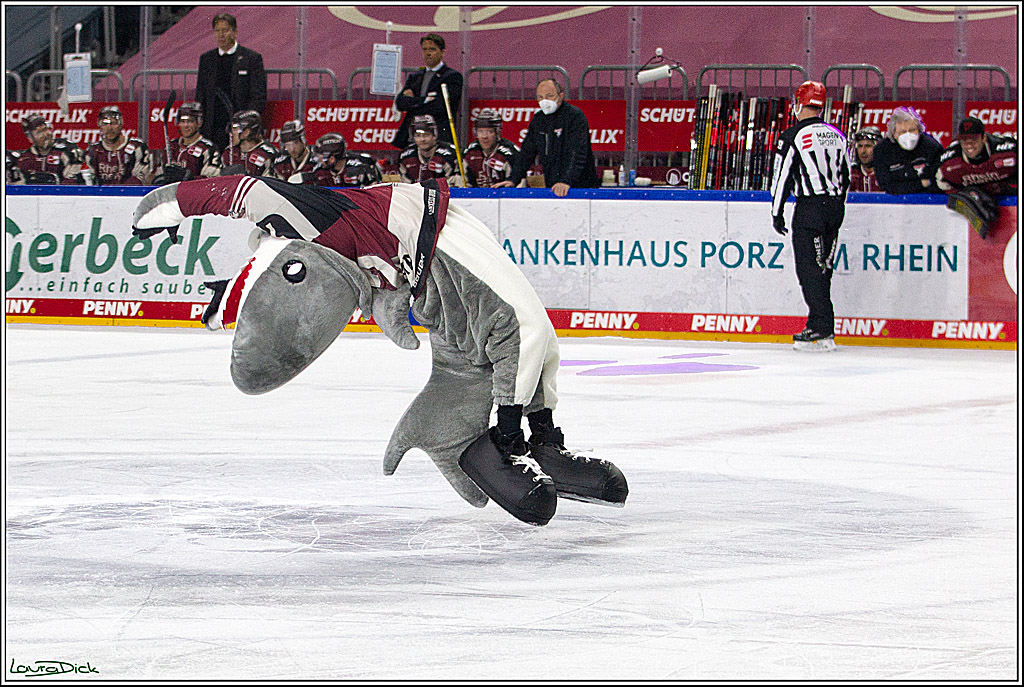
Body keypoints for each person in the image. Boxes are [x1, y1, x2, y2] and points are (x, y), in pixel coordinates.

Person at [131, 175, 628, 526]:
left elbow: (244, 191)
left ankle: (527, 437)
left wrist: (164, 207)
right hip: (418, 266)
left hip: (436, 236)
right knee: (515, 334)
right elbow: (363, 272)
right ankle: (515, 438)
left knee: (522, 329)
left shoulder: (301, 218)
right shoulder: (323, 263)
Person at [770, 81, 850, 352]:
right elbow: (847, 175)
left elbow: (782, 176)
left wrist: (776, 211)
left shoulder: (792, 136)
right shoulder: (838, 135)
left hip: (809, 208)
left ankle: (822, 327)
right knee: (823, 268)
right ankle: (820, 324)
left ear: (799, 103)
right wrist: (838, 204)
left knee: (808, 268)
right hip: (835, 207)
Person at [501, 79, 599, 197]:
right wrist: (513, 179)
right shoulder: (538, 120)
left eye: (549, 96)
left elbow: (577, 153)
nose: (544, 101)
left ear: (560, 96)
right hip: (553, 186)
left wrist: (566, 181)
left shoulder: (575, 116)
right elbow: (527, 153)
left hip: (580, 187)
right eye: (540, 97)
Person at [195, 12, 267, 151]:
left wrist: (247, 122)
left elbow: (259, 95)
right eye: (217, 31)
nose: (221, 35)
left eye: (225, 30)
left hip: (241, 126)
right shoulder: (206, 59)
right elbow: (201, 93)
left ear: (235, 32)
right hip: (213, 125)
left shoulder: (251, 58)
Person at [392, 33, 463, 151]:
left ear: (442, 52)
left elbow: (440, 106)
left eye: (432, 49)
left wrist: (413, 103)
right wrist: (424, 100)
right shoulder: (415, 77)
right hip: (411, 136)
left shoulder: (452, 76)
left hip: (439, 135)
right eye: (424, 49)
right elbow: (400, 103)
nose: (428, 53)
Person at [936, 116, 1018, 197]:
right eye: (964, 139)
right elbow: (939, 182)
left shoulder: (1008, 150)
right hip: (975, 201)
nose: (969, 145)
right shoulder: (949, 160)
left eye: (974, 139)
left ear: (984, 138)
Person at [873, 107, 943, 195]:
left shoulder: (932, 147)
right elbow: (886, 184)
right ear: (894, 134)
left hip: (927, 199)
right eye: (903, 131)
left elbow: (937, 181)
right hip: (896, 201)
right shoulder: (882, 150)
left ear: (919, 130)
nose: (908, 135)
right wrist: (920, 184)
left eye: (912, 130)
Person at [12, 113, 92, 185]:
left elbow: (74, 182)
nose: (45, 135)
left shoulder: (66, 150)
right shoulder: (24, 159)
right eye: (39, 132)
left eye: (46, 129)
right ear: (30, 138)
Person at [155, 101, 222, 184]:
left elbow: (212, 181)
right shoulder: (170, 147)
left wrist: (188, 177)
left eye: (190, 121)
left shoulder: (208, 149)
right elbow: (156, 178)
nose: (186, 125)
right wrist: (163, 179)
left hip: (195, 195)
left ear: (199, 123)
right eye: (183, 121)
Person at [85, 105, 152, 185]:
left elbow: (142, 179)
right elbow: (88, 181)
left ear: (121, 124)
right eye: (105, 124)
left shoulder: (137, 147)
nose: (109, 128)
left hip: (130, 195)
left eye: (114, 123)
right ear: (100, 126)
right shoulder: (93, 151)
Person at [463, 108, 519, 188]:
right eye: (480, 131)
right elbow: (463, 183)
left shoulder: (510, 154)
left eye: (489, 131)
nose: (484, 136)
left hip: (504, 198)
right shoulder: (470, 152)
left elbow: (520, 183)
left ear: (497, 132)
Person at [398, 114, 461, 185]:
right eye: (418, 136)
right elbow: (405, 185)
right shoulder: (406, 156)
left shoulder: (449, 154)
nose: (422, 139)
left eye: (426, 135)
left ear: (434, 135)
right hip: (415, 194)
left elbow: (455, 183)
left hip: (443, 194)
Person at [308, 133, 383, 187]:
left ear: (332, 159)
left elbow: (376, 194)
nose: (318, 160)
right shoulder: (318, 171)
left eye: (321, 156)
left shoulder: (362, 167)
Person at [221, 109, 277, 177]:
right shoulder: (228, 153)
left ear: (246, 132)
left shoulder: (268, 154)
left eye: (235, 129)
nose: (231, 133)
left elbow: (272, 183)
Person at [849, 126, 882, 193]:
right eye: (860, 146)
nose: (863, 151)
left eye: (868, 146)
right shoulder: (850, 174)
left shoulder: (888, 175)